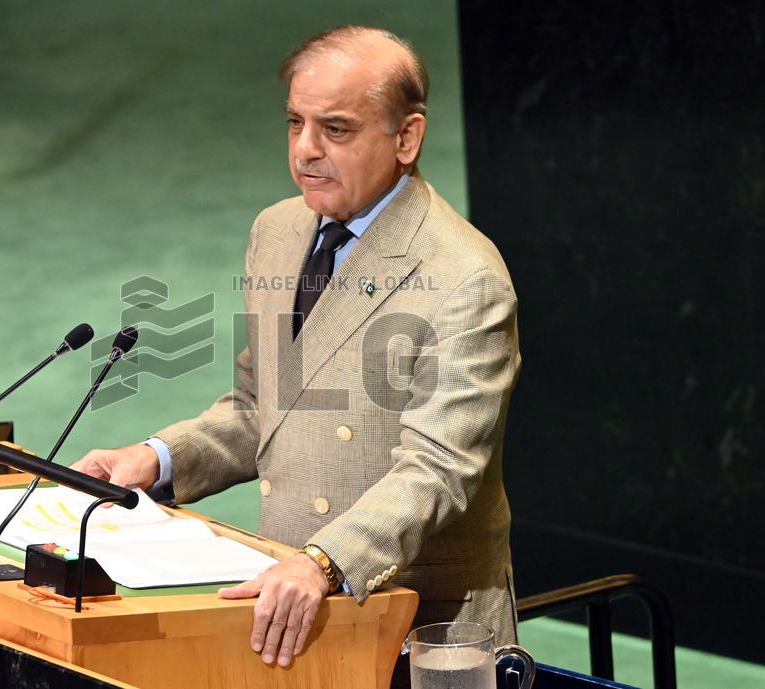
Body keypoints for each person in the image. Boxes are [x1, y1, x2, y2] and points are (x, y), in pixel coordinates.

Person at [72, 25, 521, 680]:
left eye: (335, 129)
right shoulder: (280, 230)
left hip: (417, 627)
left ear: (407, 137)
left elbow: (439, 468)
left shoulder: (465, 276)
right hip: (291, 609)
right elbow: (266, 405)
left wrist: (324, 560)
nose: (306, 150)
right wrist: (158, 457)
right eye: (295, 123)